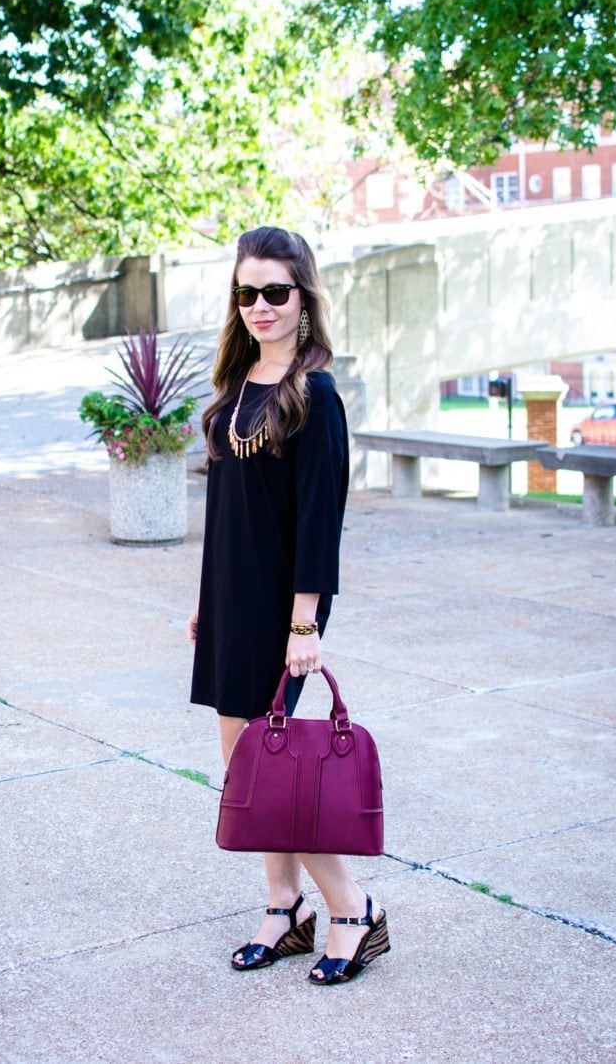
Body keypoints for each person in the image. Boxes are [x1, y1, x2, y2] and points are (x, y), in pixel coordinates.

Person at [187, 226, 389, 986]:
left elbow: (317, 523)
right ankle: (284, 906)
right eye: (248, 293)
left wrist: (304, 623)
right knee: (246, 765)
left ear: (303, 297)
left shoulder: (316, 395)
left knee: (266, 770)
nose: (260, 306)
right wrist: (207, 602)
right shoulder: (235, 390)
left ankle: (350, 906)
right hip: (232, 602)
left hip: (284, 609)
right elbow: (227, 515)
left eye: (276, 291)